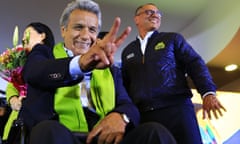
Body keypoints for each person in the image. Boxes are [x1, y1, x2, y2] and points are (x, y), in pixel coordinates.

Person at [19, 1, 177, 144]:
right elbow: (33, 72)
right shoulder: (44, 54)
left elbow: (127, 104)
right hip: (63, 136)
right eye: (78, 27)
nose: (86, 36)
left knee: (154, 132)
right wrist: (80, 64)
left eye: (92, 29)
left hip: (105, 138)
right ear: (63, 30)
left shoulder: (109, 68)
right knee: (46, 130)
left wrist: (121, 116)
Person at [121, 3, 226, 144]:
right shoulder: (127, 51)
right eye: (149, 12)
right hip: (145, 116)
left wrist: (208, 92)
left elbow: (195, 63)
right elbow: (125, 86)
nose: (155, 15)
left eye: (158, 13)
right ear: (137, 19)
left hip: (178, 110)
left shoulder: (172, 39)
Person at [2, 22, 55, 143]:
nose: (23, 38)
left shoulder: (53, 58)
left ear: (42, 36)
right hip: (16, 124)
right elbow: (11, 86)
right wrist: (13, 100)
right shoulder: (22, 60)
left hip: (39, 126)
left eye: (27, 33)